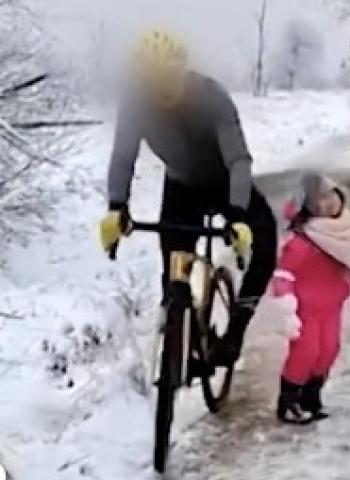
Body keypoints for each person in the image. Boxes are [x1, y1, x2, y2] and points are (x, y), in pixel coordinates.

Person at [99, 30, 277, 365]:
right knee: (173, 266)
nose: (163, 86)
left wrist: (238, 215)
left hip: (226, 181)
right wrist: (117, 206)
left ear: (183, 70)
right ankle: (179, 325)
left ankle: (236, 330)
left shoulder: (211, 97)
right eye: (153, 79)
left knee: (266, 243)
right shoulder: (136, 103)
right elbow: (123, 157)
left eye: (169, 75)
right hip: (182, 185)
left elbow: (239, 160)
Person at [271, 173, 350, 424]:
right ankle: (289, 399)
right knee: (306, 351)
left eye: (330, 195)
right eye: (319, 201)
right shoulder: (303, 241)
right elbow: (284, 273)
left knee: (328, 350)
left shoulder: (344, 234)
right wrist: (286, 304)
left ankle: (312, 396)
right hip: (306, 308)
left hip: (332, 306)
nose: (328, 204)